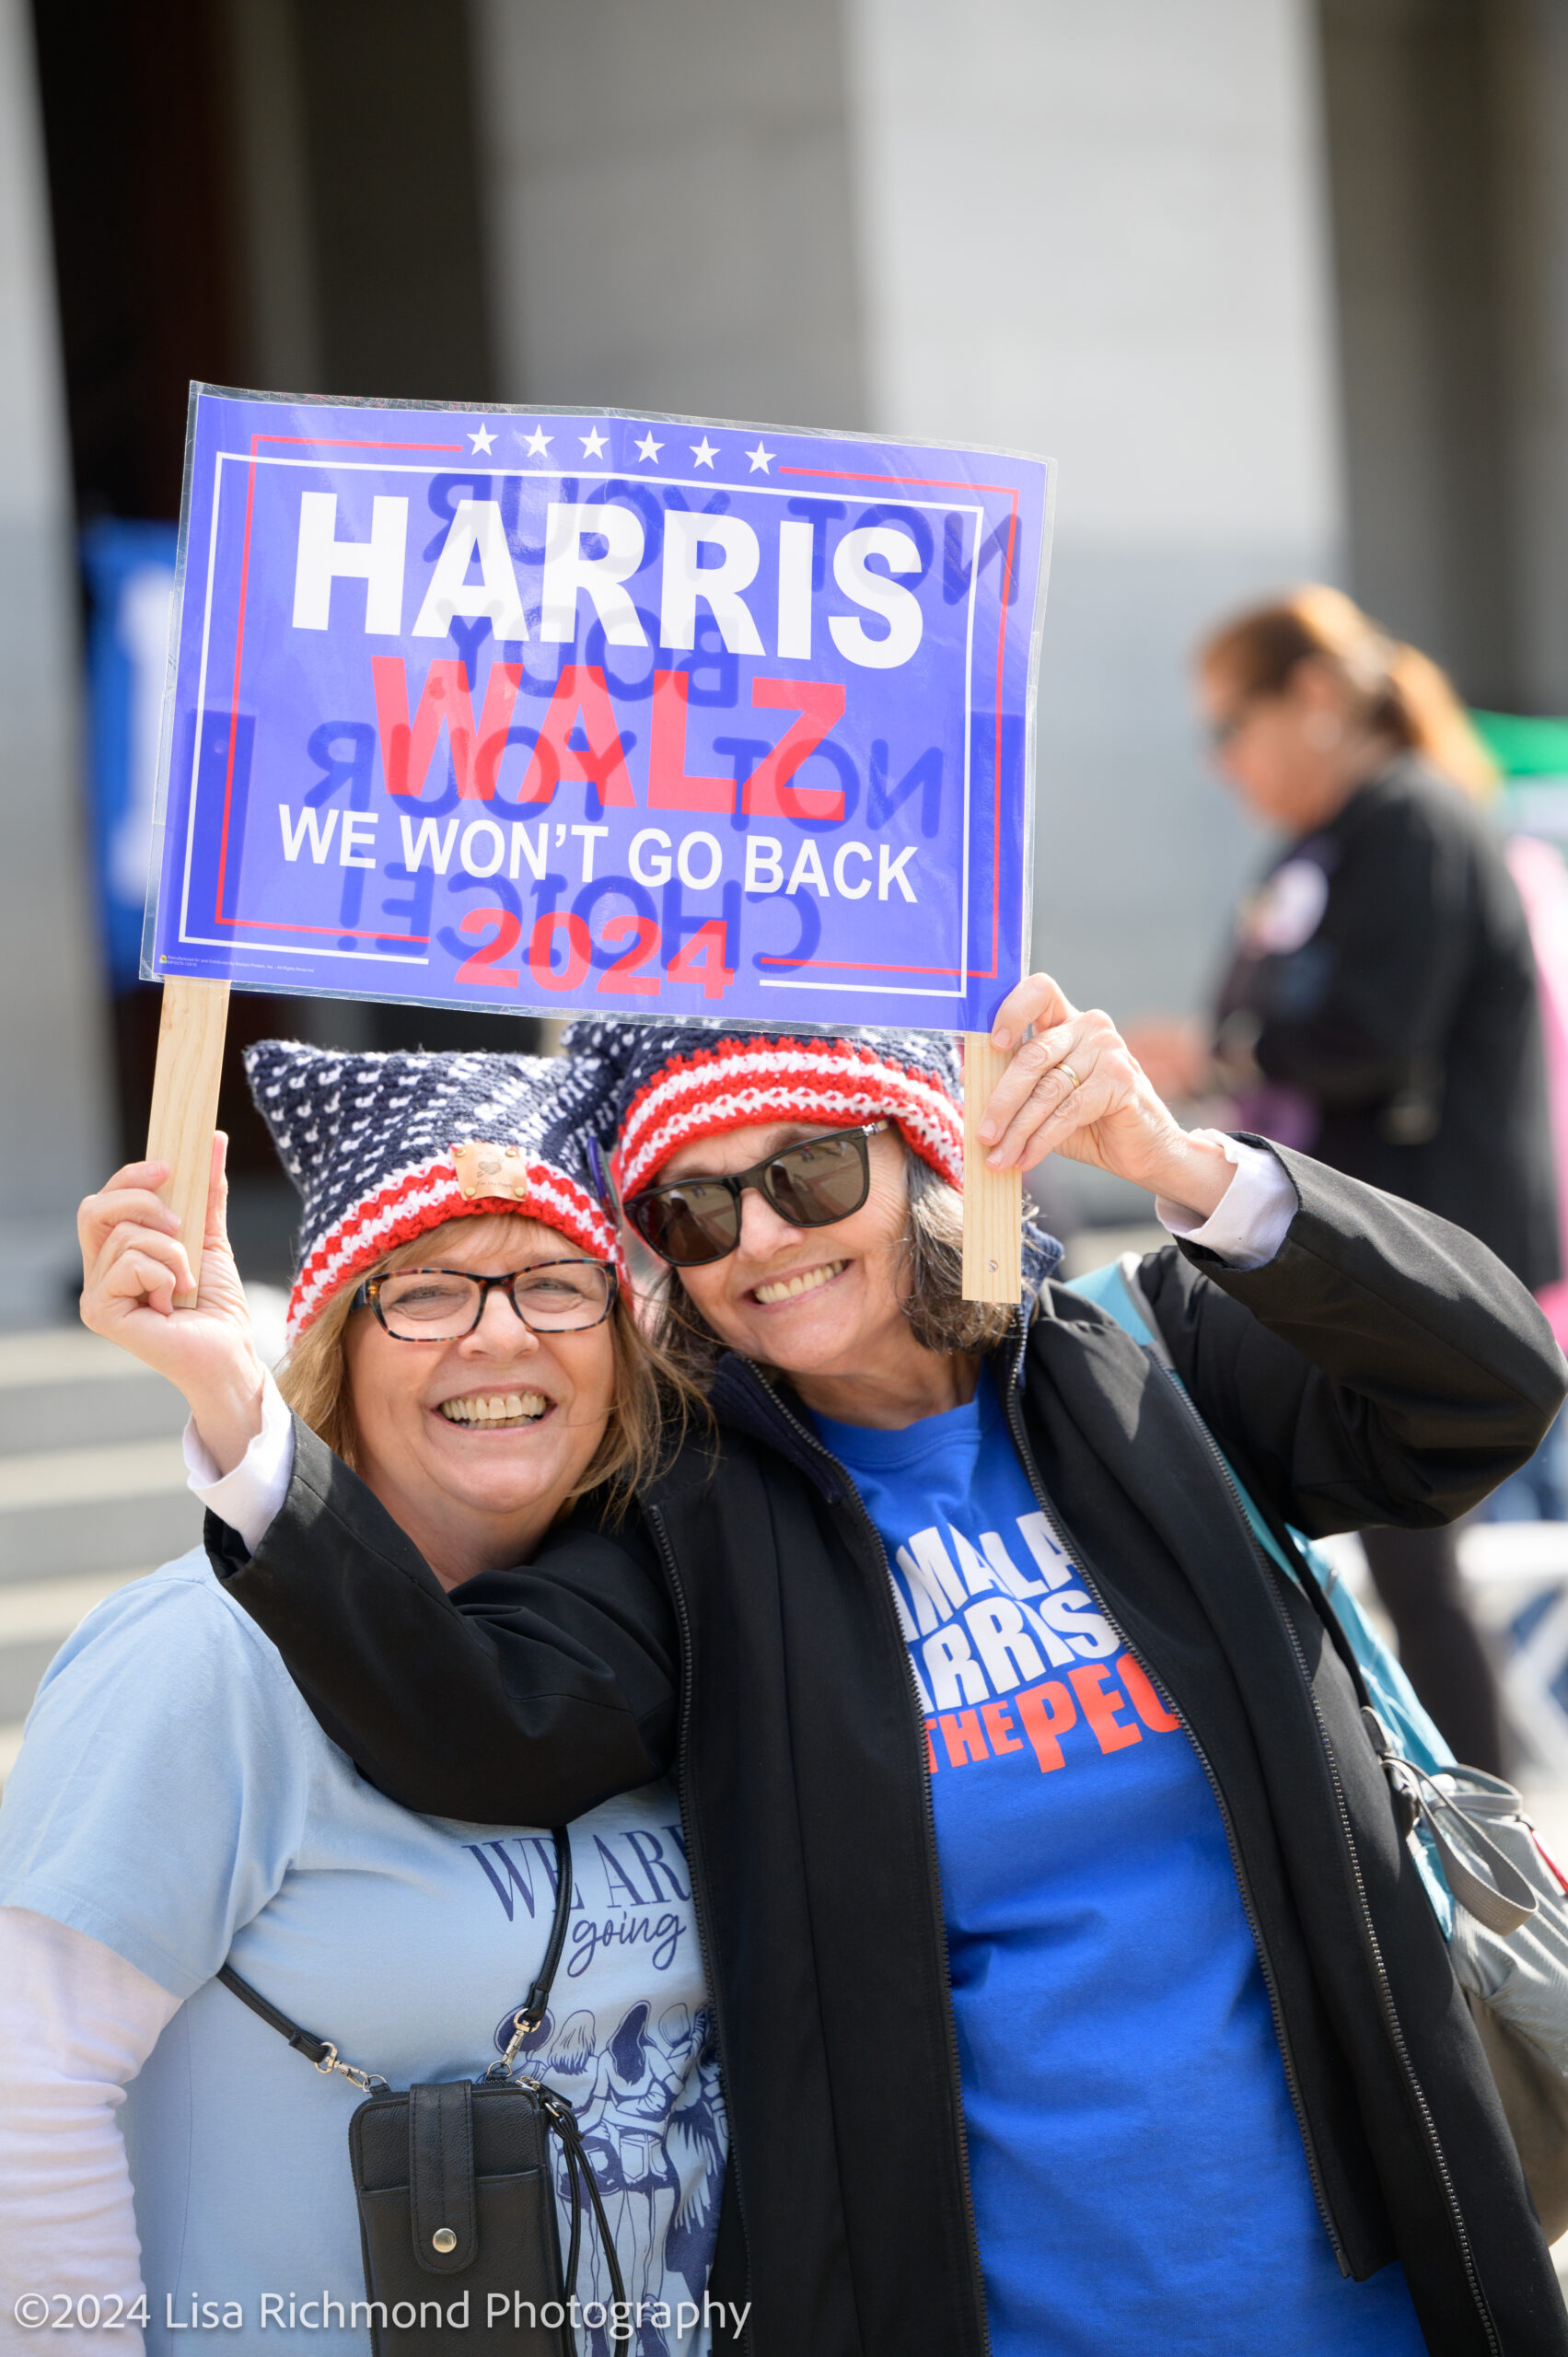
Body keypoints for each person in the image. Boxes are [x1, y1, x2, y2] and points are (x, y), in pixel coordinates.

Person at [180, 995, 1567, 2357]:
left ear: (923, 1153)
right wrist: (247, 1431)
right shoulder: (690, 1521)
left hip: (1386, 2287)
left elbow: (1484, 1388)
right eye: (696, 1212)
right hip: (1002, 2313)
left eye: (809, 1172)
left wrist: (1184, 1167)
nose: (764, 1239)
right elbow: (488, 1728)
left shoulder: (1152, 1366)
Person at [0, 1046, 733, 2357]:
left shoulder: (665, 1633)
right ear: (339, 1339)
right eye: (429, 1289)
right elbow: (29, 2087)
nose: (499, 1332)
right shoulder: (204, 1658)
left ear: (623, 1351)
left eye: (558, 1285)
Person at [1133, 585, 1560, 1774]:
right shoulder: (1334, 842)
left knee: (1413, 1560)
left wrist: (1218, 1057)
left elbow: (1371, 1034)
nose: (1224, 764)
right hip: (1335, 1251)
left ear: (1314, 698)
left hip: (1419, 1253)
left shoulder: (1414, 821)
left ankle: (1482, 1829)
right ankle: (1457, 1802)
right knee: (1391, 1558)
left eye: (1230, 728)